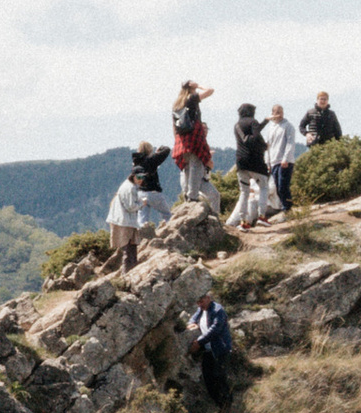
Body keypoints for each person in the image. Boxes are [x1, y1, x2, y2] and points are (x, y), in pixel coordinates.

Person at [108, 145, 167, 273]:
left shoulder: (131, 185)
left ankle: (131, 272)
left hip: (126, 221)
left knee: (132, 249)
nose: (141, 180)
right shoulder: (129, 188)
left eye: (143, 177)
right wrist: (142, 204)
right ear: (133, 176)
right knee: (128, 251)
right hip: (124, 222)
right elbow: (130, 207)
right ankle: (127, 275)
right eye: (139, 177)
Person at [172, 80, 219, 212]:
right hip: (194, 138)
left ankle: (188, 195)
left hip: (182, 140)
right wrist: (199, 86)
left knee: (187, 168)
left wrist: (177, 141)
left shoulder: (176, 104)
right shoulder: (191, 99)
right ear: (191, 88)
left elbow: (174, 127)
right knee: (196, 166)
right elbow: (210, 90)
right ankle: (192, 197)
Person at [229, 100, 272, 230]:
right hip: (255, 161)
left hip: (241, 162)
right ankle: (262, 216)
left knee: (244, 192)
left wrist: (265, 121)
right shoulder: (253, 122)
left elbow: (247, 138)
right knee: (264, 187)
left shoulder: (237, 125)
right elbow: (255, 137)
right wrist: (264, 146)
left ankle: (243, 222)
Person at [188, 286, 233, 407]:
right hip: (208, 350)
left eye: (201, 302)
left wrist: (198, 342)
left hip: (220, 350)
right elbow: (193, 318)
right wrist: (191, 323)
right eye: (198, 303)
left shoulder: (218, 310)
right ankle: (220, 405)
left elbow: (215, 330)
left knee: (220, 378)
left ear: (208, 298)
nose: (200, 305)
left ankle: (228, 406)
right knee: (208, 379)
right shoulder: (201, 309)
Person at [263, 100, 299, 212]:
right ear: (272, 113)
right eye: (276, 111)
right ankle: (284, 206)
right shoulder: (271, 127)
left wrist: (285, 158)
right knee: (278, 187)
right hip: (273, 161)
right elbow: (267, 146)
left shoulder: (288, 126)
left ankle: (287, 208)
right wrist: (267, 162)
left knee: (283, 186)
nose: (279, 113)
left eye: (281, 111)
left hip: (285, 161)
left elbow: (290, 143)